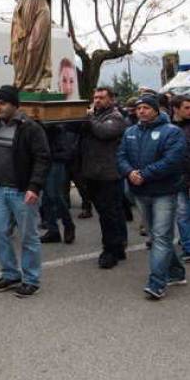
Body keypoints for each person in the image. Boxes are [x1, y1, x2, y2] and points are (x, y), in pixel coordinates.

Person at [0, 85, 50, 298]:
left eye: (3, 103)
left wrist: (34, 187)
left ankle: (31, 279)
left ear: (14, 105)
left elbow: (42, 158)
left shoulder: (30, 128)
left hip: (22, 191)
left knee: (28, 236)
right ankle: (10, 274)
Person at [118, 94, 187, 300]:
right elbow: (121, 156)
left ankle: (157, 283)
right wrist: (130, 172)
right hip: (141, 193)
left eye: (147, 108)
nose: (141, 111)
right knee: (158, 236)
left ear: (157, 110)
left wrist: (145, 174)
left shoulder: (172, 132)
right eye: (139, 108)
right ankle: (176, 272)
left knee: (161, 237)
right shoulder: (130, 132)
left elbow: (172, 161)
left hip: (164, 192)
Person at [78, 87, 129, 268]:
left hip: (108, 174)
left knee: (109, 214)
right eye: (95, 97)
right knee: (106, 213)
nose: (96, 100)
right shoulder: (97, 116)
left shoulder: (115, 117)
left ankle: (111, 251)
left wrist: (88, 117)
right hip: (93, 172)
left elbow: (103, 132)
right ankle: (118, 246)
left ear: (111, 99)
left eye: (101, 97)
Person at [40, 123, 77, 245]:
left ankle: (68, 225)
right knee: (45, 199)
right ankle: (53, 230)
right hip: (43, 161)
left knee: (54, 195)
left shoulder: (56, 128)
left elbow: (64, 150)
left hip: (55, 161)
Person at [175, 95, 190, 261]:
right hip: (179, 180)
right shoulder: (171, 128)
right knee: (183, 214)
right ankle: (188, 247)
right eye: (186, 108)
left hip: (188, 178)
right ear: (176, 109)